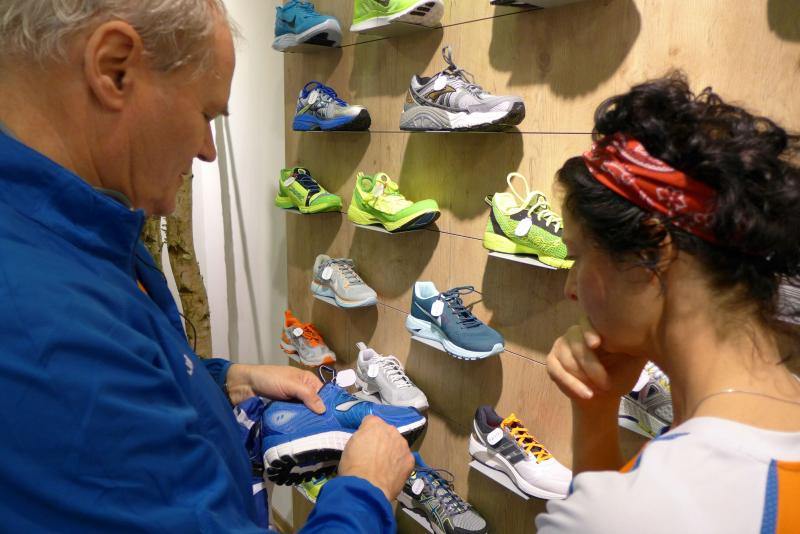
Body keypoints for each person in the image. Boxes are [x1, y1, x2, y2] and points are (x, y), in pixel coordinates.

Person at [0, 1, 412, 532]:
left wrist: (225, 381)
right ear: (113, 67)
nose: (207, 150)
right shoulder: (50, 328)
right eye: (205, 115)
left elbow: (119, 396)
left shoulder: (75, 238)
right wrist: (364, 491)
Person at [537, 73, 800, 533]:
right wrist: (597, 406)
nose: (570, 289)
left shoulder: (630, 511)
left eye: (577, 257)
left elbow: (609, 515)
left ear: (652, 250)